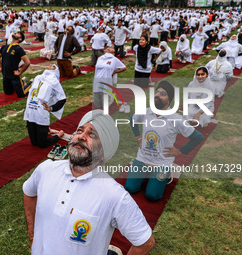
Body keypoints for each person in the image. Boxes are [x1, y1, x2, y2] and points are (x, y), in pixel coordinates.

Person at [23, 110, 155, 255]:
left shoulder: (114, 195)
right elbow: (29, 193)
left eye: (92, 134)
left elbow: (145, 242)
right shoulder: (46, 169)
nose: (81, 136)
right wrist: (32, 236)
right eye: (79, 130)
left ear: (104, 153)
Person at [125, 81, 204, 201]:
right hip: (142, 160)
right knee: (130, 188)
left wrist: (180, 151)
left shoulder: (176, 119)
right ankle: (147, 174)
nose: (157, 95)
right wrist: (138, 137)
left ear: (169, 99)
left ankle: (167, 174)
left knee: (152, 196)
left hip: (162, 163)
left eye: (163, 93)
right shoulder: (146, 112)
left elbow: (198, 137)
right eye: (156, 92)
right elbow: (132, 119)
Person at [24, 64, 66, 148]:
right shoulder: (38, 77)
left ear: (55, 71)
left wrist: (51, 108)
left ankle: (58, 135)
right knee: (34, 143)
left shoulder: (54, 81)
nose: (50, 65)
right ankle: (47, 131)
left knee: (42, 144)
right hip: (31, 111)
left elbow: (62, 98)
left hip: (41, 113)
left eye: (53, 66)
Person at [0, 31, 31, 97]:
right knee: (8, 93)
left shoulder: (18, 49)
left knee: (21, 94)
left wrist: (20, 72)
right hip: (5, 75)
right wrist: (0, 66)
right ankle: (22, 82)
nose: (15, 33)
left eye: (18, 33)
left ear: (20, 39)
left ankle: (31, 83)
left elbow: (27, 62)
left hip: (14, 76)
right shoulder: (4, 47)